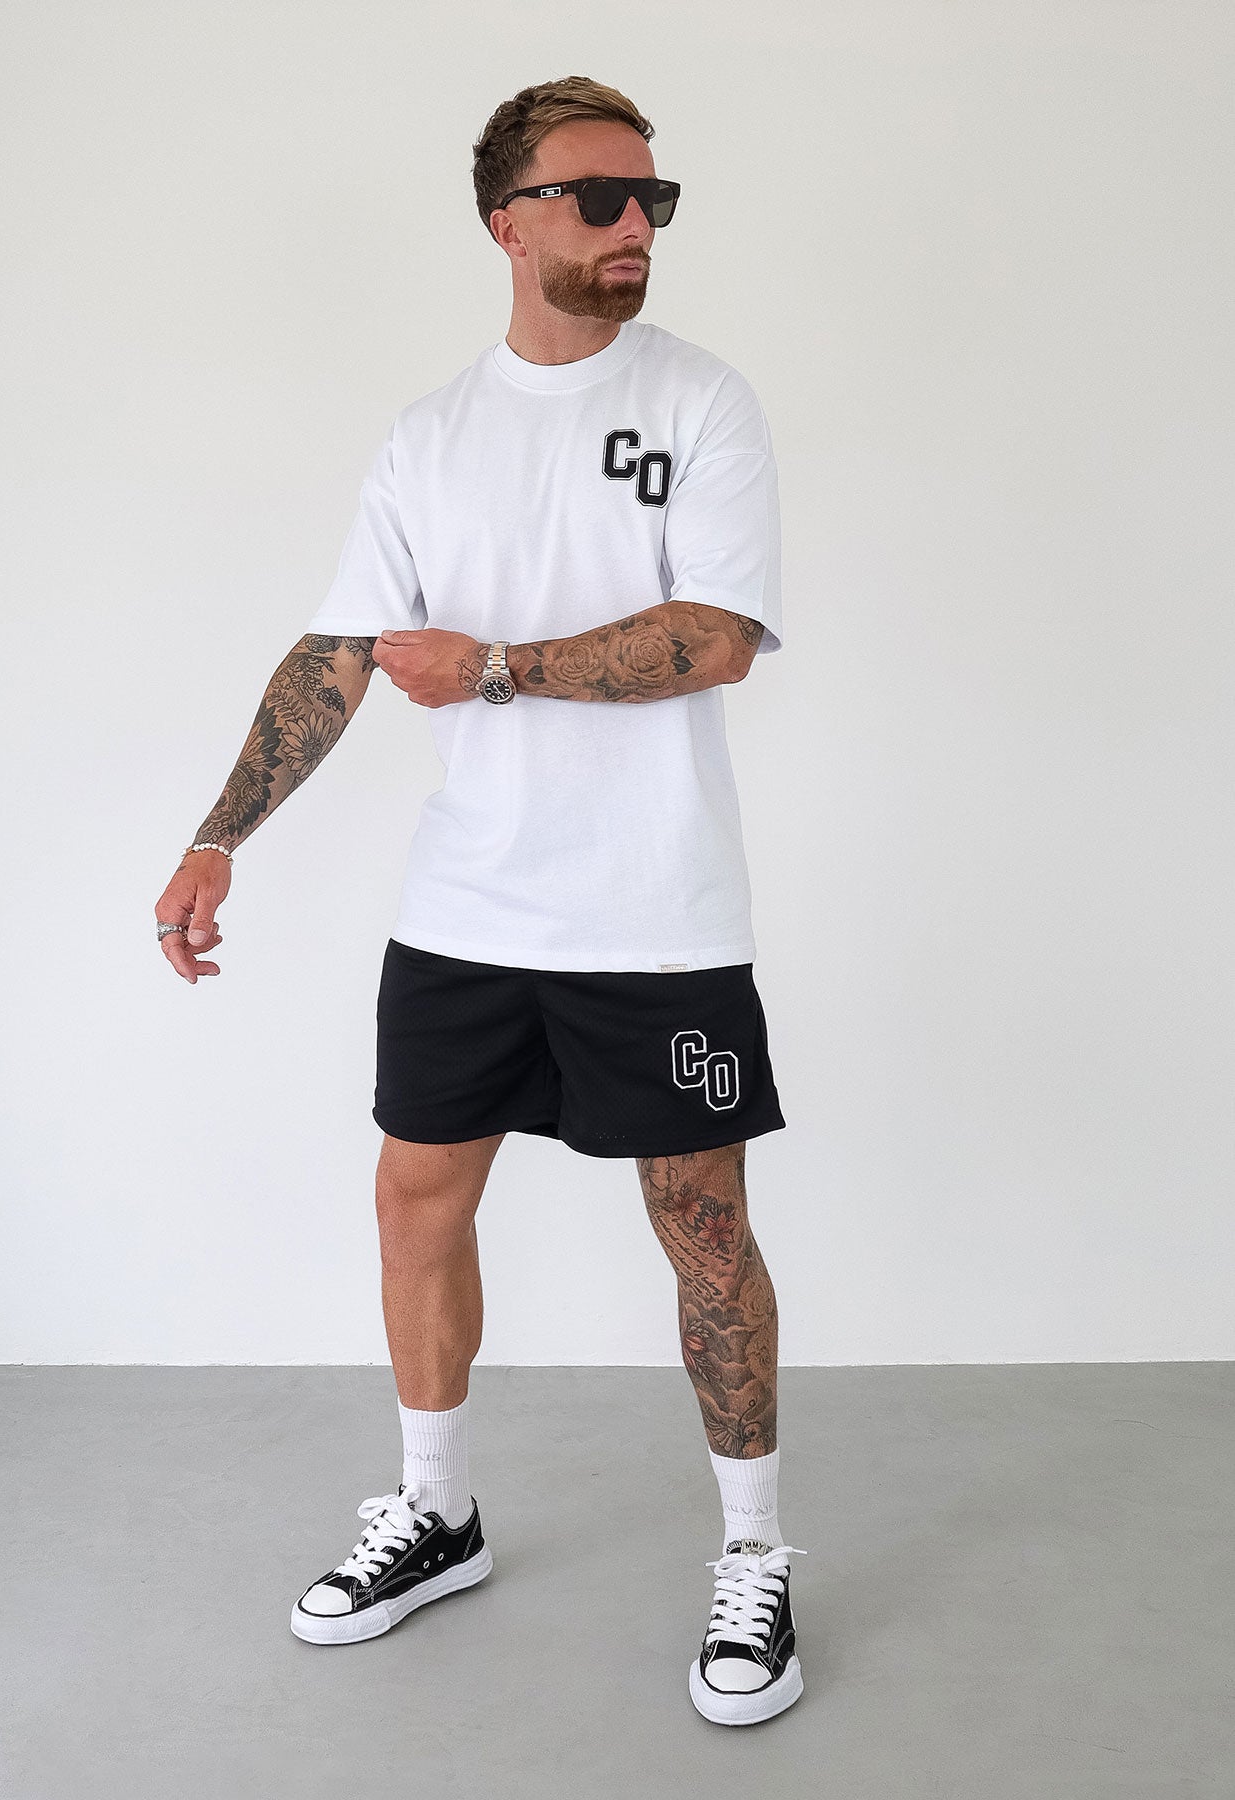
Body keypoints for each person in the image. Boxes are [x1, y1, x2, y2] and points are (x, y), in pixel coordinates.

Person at [154, 75, 806, 1727]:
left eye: (654, 201)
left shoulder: (702, 403)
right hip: (467, 910)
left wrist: (502, 666)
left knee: (702, 1228)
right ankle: (436, 1511)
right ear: (507, 221)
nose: (634, 227)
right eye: (599, 199)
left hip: (655, 910)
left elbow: (713, 636)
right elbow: (341, 653)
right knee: (415, 1197)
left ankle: (754, 1552)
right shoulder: (429, 437)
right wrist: (222, 833)